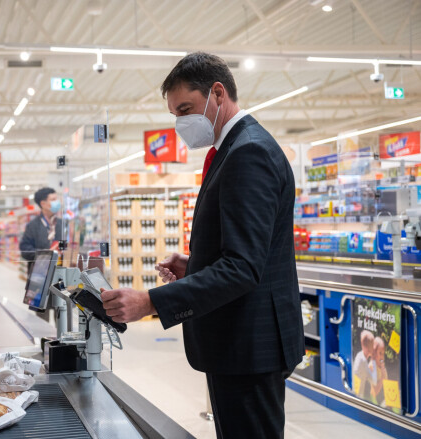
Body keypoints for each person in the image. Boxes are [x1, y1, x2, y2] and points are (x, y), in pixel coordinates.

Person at [101, 52, 304, 439]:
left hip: (249, 345)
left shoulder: (249, 153)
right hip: (241, 341)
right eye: (175, 114)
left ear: (217, 93)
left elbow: (244, 268)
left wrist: (150, 302)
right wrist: (195, 264)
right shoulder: (236, 149)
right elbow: (245, 249)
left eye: (186, 109)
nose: (181, 123)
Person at [19, 187, 63, 272]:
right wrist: (45, 254)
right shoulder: (32, 226)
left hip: (59, 272)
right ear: (43, 203)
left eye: (56, 199)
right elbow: (25, 250)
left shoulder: (62, 224)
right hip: (39, 274)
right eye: (53, 199)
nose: (57, 202)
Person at [353, 329, 378, 400]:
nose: (374, 348)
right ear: (369, 347)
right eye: (372, 345)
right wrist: (373, 360)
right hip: (358, 396)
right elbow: (374, 381)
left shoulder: (359, 356)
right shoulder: (363, 361)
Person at [370, 336, 388, 405]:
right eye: (380, 353)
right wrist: (382, 378)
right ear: (374, 353)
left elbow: (387, 386)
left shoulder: (381, 367)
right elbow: (373, 394)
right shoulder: (372, 367)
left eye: (383, 354)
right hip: (375, 402)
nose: (382, 357)